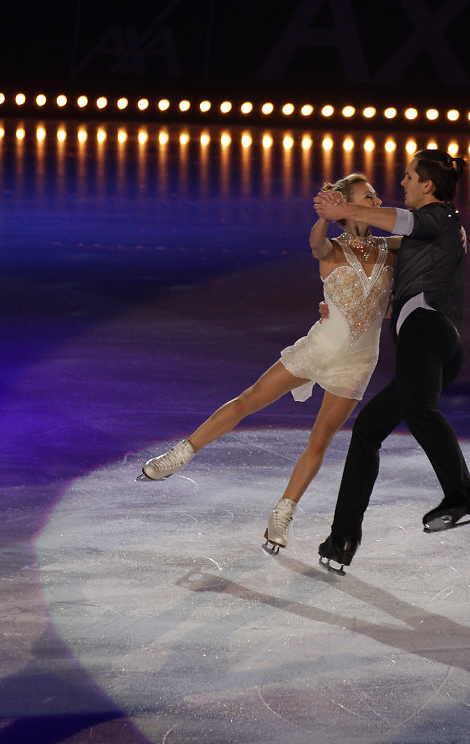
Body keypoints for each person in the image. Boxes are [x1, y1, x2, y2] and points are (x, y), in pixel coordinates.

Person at [138, 173, 399, 554]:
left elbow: (423, 244)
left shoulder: (392, 248)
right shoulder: (331, 248)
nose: (377, 202)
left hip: (358, 363)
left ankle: (283, 514)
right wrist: (326, 214)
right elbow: (315, 243)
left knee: (320, 440)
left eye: (376, 196)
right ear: (346, 205)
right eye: (368, 196)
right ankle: (180, 455)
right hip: (318, 349)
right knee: (249, 400)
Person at [313, 149, 470, 573]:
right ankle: (341, 539)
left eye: (409, 177)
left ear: (428, 186)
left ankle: (463, 493)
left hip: (426, 333)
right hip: (434, 344)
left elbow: (398, 220)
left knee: (420, 410)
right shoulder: (430, 231)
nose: (403, 183)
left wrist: (345, 206)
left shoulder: (440, 218)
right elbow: (370, 252)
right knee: (368, 431)